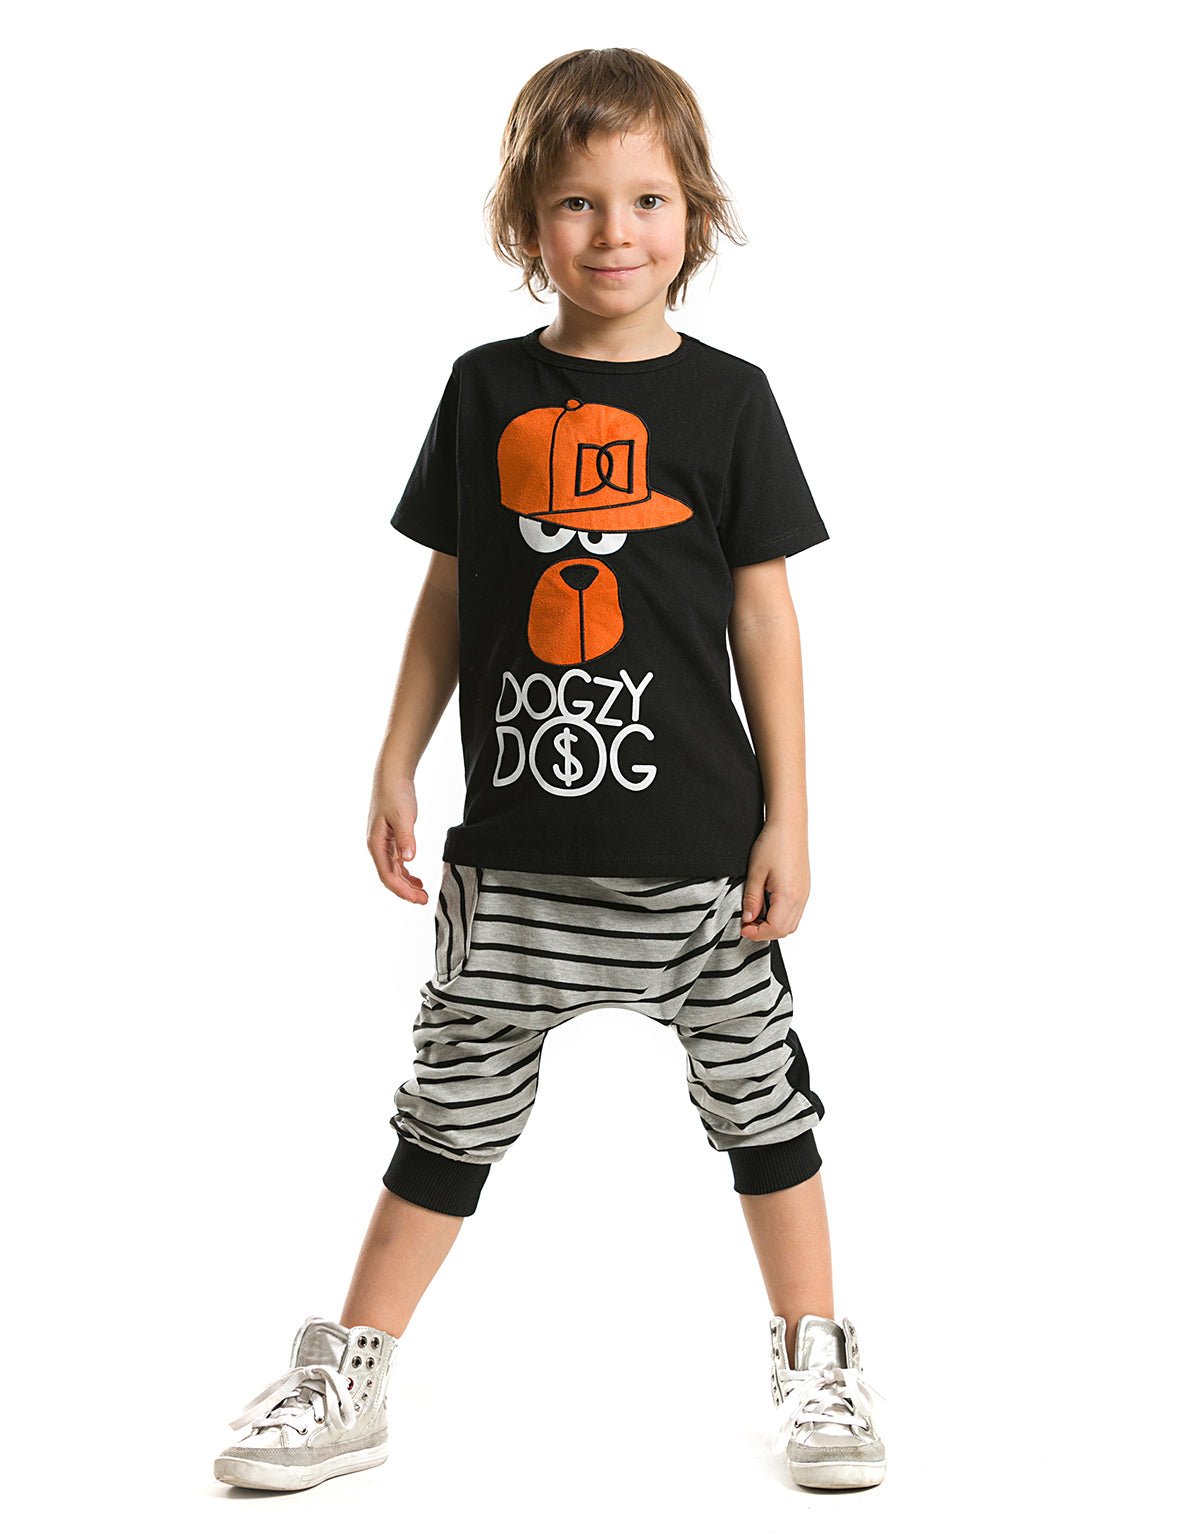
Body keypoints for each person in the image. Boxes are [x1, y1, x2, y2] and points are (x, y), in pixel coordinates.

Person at [214, 45, 886, 1497]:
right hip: (513, 863)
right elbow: (452, 589)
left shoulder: (730, 402)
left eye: (647, 199)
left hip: (702, 863)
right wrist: (395, 757)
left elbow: (765, 617)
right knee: (444, 1119)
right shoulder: (485, 389)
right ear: (526, 220)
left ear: (694, 215)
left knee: (765, 1110)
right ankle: (350, 1372)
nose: (613, 232)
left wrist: (791, 817)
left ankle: (817, 1357)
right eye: (577, 201)